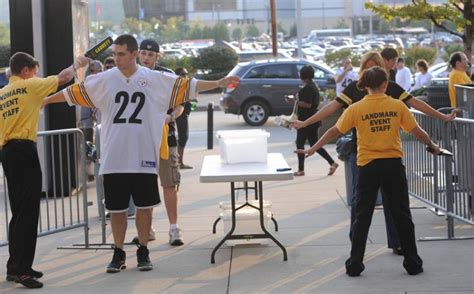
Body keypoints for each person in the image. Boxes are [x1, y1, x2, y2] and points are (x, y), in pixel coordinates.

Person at [42, 34, 239, 274]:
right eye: (114, 54)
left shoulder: (155, 79)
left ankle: (143, 249)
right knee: (116, 209)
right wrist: (43, 101)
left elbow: (191, 85)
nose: (116, 58)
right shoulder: (104, 79)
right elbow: (71, 94)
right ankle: (118, 252)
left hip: (143, 155)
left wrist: (219, 82)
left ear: (135, 53)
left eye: (121, 54)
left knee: (145, 207)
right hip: (114, 156)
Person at [292, 51, 456, 255]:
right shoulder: (357, 91)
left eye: (373, 66)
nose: (370, 70)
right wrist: (306, 125)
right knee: (362, 208)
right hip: (363, 155)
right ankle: (358, 249)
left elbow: (416, 105)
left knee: (390, 206)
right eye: (367, 66)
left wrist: (441, 116)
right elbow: (332, 114)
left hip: (387, 157)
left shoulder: (390, 92)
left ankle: (395, 244)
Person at [0, 52, 88, 288]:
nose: (36, 75)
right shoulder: (30, 86)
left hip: (7, 152)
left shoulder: (2, 94)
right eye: (35, 71)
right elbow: (62, 78)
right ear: (26, 71)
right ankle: (22, 271)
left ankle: (16, 266)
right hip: (24, 150)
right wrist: (78, 63)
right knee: (28, 213)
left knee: (18, 211)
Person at [137, 38, 183, 245]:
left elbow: (180, 106)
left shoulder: (167, 76)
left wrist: (170, 117)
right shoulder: (131, 75)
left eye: (151, 54)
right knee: (144, 186)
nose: (146, 58)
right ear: (138, 54)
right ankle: (147, 229)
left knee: (169, 184)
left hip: (167, 137)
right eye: (143, 54)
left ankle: (174, 228)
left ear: (157, 56)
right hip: (141, 138)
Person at [286, 65, 338, 176]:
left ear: (302, 76)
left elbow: (308, 104)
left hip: (305, 121)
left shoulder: (307, 88)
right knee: (315, 144)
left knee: (300, 143)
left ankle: (301, 170)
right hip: (313, 120)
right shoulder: (313, 85)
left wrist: (294, 101)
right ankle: (332, 163)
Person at [79, 60, 103, 181]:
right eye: (92, 70)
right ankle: (89, 174)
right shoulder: (85, 85)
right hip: (87, 124)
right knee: (87, 148)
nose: (94, 73)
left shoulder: (103, 84)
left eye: (97, 70)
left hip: (101, 124)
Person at [175, 67, 193, 169]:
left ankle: (179, 162)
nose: (185, 76)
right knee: (183, 137)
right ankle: (179, 162)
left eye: (186, 74)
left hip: (184, 114)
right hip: (180, 115)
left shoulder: (185, 85)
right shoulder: (178, 86)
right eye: (182, 74)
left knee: (182, 138)